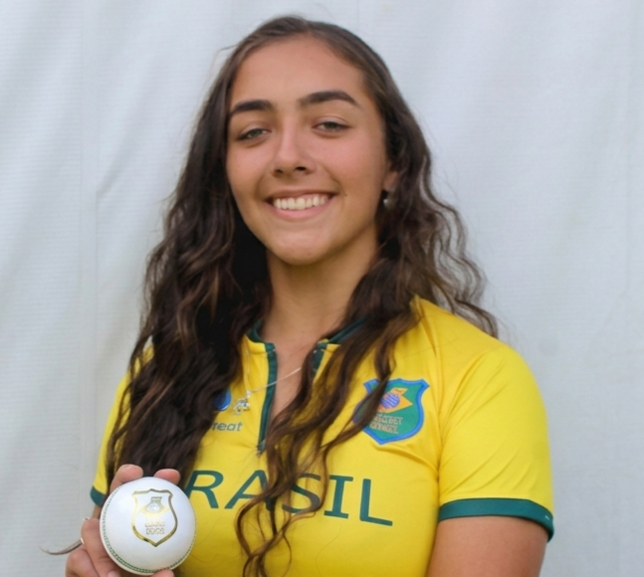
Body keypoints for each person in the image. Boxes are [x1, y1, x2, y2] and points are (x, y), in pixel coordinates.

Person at [66, 15, 553, 577]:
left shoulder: (479, 379)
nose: (287, 156)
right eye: (253, 132)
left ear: (394, 161)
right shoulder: (168, 368)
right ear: (224, 171)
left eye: (328, 123)